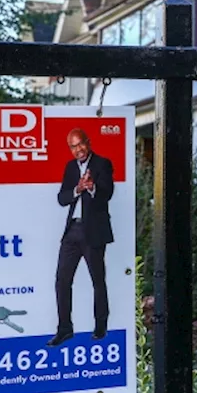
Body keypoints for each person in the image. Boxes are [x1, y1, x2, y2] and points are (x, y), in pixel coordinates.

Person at [50, 128, 115, 346]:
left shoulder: (102, 164)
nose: (78, 150)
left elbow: (107, 194)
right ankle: (65, 329)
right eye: (73, 147)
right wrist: (78, 189)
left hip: (93, 231)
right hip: (72, 230)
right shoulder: (70, 167)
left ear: (88, 142)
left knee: (97, 280)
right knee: (62, 281)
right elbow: (62, 198)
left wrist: (93, 188)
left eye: (81, 144)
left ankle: (100, 327)